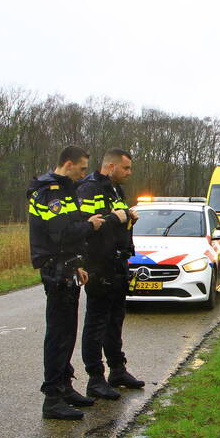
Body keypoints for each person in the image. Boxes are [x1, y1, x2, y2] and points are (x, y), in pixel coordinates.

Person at [27, 145, 113, 420]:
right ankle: (52, 397)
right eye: (82, 167)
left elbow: (69, 230)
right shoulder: (49, 192)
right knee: (58, 334)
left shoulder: (65, 190)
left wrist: (78, 265)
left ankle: (65, 387)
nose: (84, 173)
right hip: (55, 271)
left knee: (68, 332)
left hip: (68, 269)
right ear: (68, 163)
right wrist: (91, 226)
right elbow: (61, 234)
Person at [77, 148, 146, 398]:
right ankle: (95, 378)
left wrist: (129, 218)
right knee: (96, 322)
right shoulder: (89, 188)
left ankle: (118, 370)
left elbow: (116, 220)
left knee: (115, 320)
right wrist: (116, 219)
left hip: (117, 263)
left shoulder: (116, 189)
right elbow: (87, 225)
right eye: (126, 168)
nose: (129, 172)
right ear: (110, 166)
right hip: (98, 264)